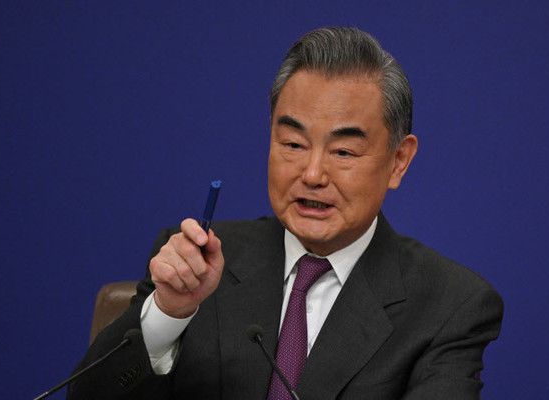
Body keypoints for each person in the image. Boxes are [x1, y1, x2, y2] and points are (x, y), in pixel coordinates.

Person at [68, 27, 503, 400]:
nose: (312, 174)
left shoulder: (450, 304)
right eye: (293, 144)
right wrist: (169, 313)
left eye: (343, 151)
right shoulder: (195, 264)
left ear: (398, 161)